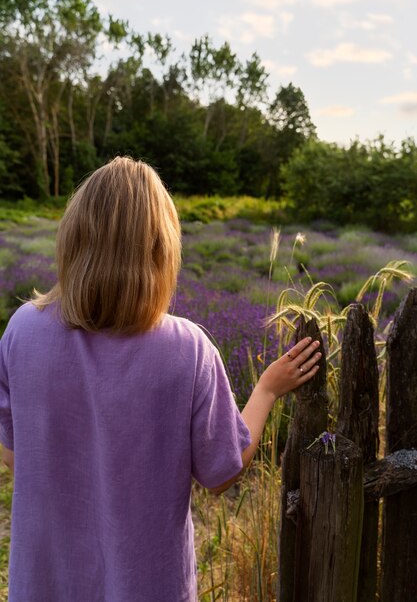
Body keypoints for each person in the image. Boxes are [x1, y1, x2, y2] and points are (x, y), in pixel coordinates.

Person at [0, 157, 321, 601]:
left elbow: (16, 455)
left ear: (73, 239)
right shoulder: (188, 350)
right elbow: (222, 472)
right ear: (160, 251)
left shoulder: (21, 330)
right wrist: (266, 389)